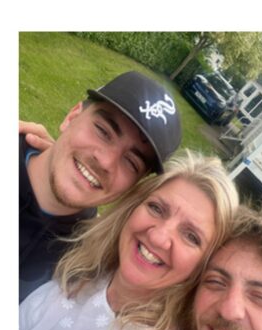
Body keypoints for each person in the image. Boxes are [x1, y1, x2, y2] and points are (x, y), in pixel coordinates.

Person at [19, 151, 238, 330]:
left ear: (203, 266)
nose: (158, 237)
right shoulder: (91, 263)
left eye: (191, 236)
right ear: (133, 207)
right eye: (156, 208)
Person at [20, 71, 182, 302]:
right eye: (103, 131)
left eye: (131, 161)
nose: (106, 161)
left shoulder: (86, 264)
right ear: (72, 116)